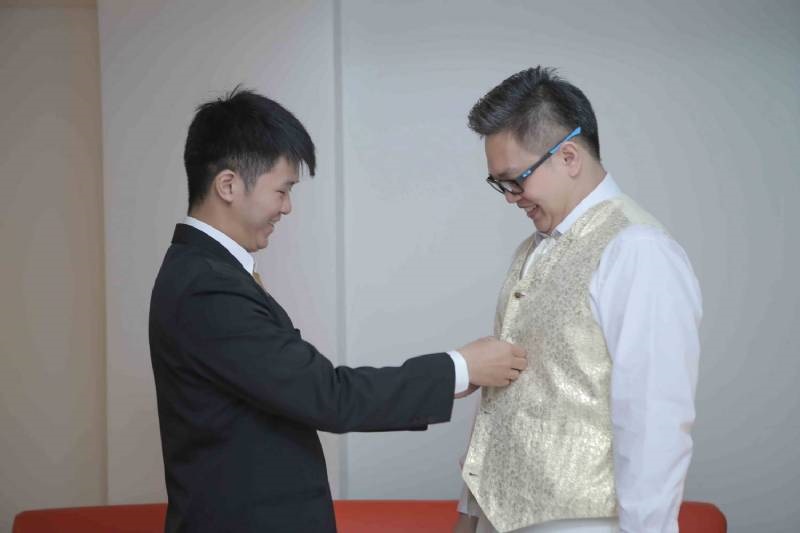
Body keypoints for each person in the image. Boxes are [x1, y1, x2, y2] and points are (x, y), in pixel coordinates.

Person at [148, 88, 527, 533]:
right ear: (228, 185)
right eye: (282, 190)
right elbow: (327, 396)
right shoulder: (207, 286)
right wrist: (460, 368)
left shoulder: (207, 271)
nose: (287, 207)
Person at [454, 67, 702, 533]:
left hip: (581, 521)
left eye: (515, 180)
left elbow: (654, 421)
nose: (510, 197)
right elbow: (501, 398)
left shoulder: (638, 250)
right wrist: (470, 512)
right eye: (500, 184)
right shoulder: (531, 250)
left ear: (568, 156)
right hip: (497, 516)